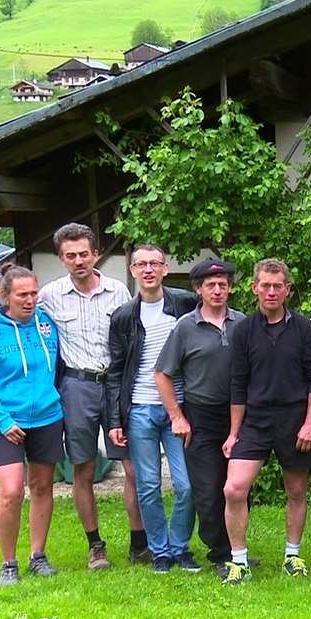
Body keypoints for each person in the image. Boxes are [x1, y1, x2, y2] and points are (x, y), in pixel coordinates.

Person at [0, 223, 147, 570]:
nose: (78, 260)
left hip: (115, 385)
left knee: (133, 466)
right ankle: (95, 545)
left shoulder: (118, 292)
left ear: (96, 253)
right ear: (61, 259)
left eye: (84, 253)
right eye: (70, 256)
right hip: (76, 387)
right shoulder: (48, 296)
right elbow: (10, 312)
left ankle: (139, 543)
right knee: (82, 468)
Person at [220, 258, 311, 585]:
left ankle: (292, 556)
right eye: (264, 285)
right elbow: (238, 383)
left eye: (277, 286)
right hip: (256, 420)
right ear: (254, 288)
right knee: (234, 489)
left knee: (296, 490)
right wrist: (234, 433)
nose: (270, 291)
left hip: (295, 420)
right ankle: (238, 562)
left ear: (287, 290)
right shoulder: (243, 330)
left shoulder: (304, 328)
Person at [0, 265, 65, 586]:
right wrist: (2, 419)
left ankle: (38, 556)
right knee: (10, 491)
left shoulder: (47, 324)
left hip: (47, 418)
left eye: (34, 293)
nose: (30, 300)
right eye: (22, 294)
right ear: (5, 296)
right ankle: (9, 563)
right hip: (3, 421)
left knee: (41, 487)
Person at [106, 245, 200, 574]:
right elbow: (115, 372)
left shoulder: (186, 303)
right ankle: (159, 551)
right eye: (141, 264)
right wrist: (114, 420)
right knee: (147, 485)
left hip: (180, 408)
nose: (148, 269)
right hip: (140, 410)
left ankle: (180, 547)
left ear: (165, 268)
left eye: (154, 264)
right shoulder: (123, 316)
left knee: (187, 484)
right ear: (132, 270)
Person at [154, 258, 246, 579]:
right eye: (211, 285)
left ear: (230, 287)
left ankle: (237, 550)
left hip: (238, 415)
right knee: (207, 489)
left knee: (235, 487)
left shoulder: (243, 324)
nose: (218, 290)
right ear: (198, 289)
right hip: (201, 416)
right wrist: (176, 417)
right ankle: (220, 553)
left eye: (223, 284)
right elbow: (162, 374)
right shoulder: (185, 327)